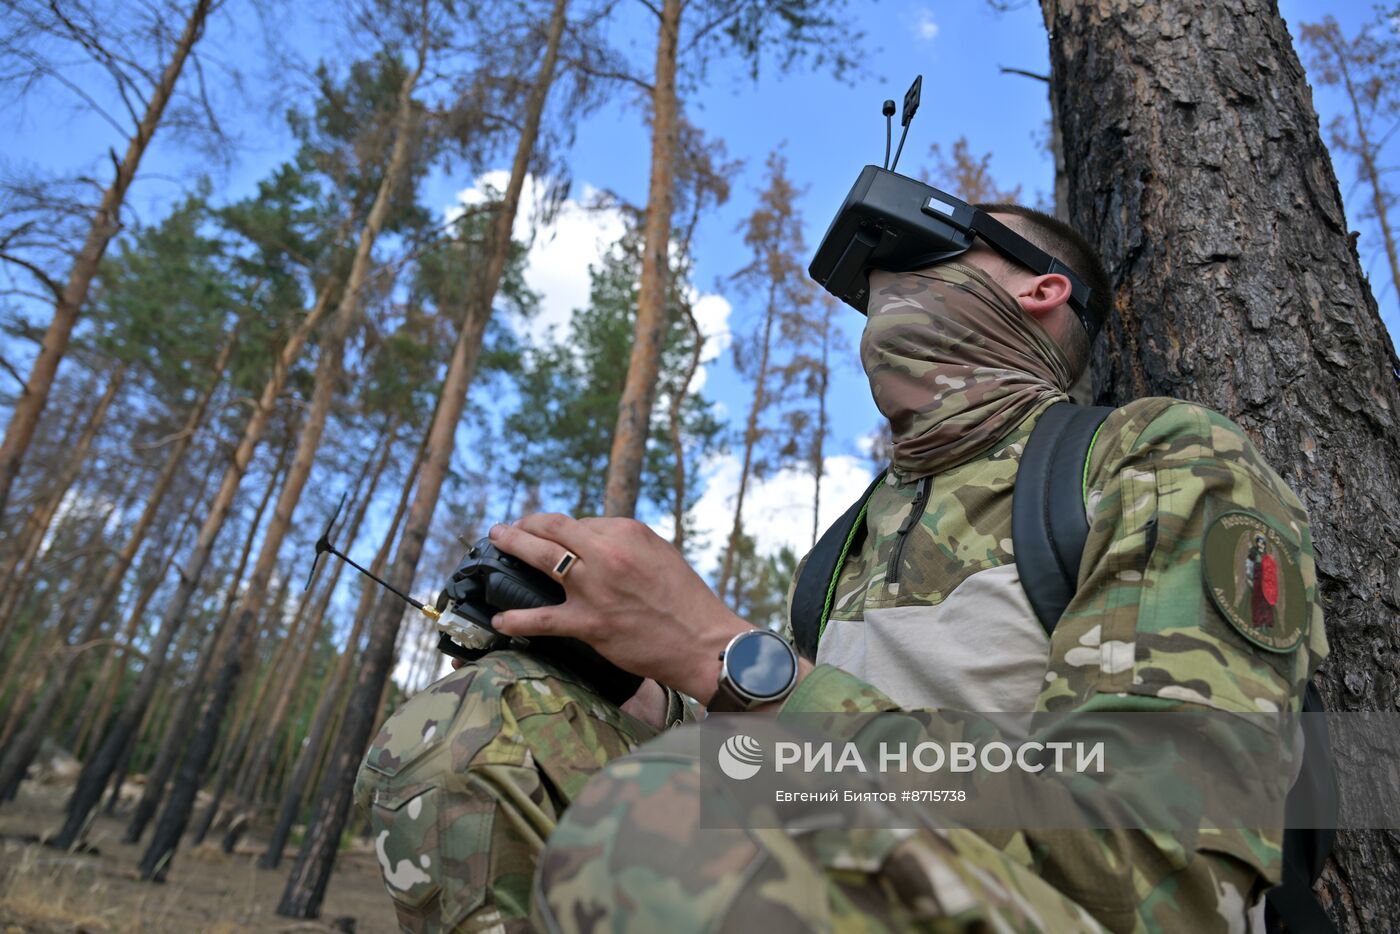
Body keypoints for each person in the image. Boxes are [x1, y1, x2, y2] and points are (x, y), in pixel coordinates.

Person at [353, 204, 1328, 932]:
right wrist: (631, 682)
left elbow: (1158, 872)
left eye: (929, 252)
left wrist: (726, 656)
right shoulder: (848, 544)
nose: (884, 287)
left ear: (1038, 289)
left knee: (665, 809)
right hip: (862, 884)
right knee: (477, 726)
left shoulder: (1148, 457)